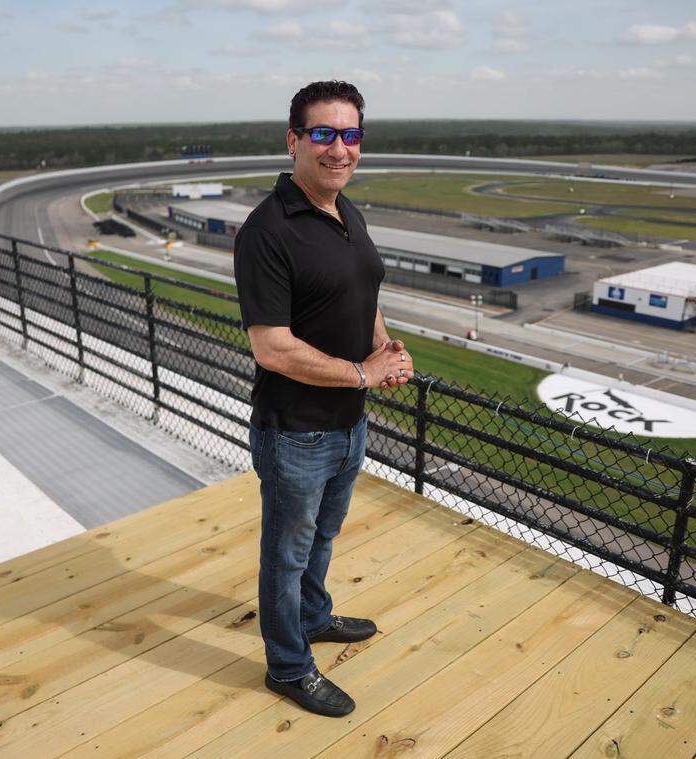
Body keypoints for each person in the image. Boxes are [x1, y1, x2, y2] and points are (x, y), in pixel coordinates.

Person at [234, 80, 414, 718]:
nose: (340, 149)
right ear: (294, 141)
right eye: (324, 134)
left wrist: (387, 352)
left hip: (347, 424)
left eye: (351, 135)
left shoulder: (346, 213)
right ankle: (287, 666)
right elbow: (272, 348)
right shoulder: (267, 231)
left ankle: (313, 618)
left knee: (323, 538)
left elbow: (363, 296)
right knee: (285, 555)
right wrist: (362, 375)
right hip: (296, 431)